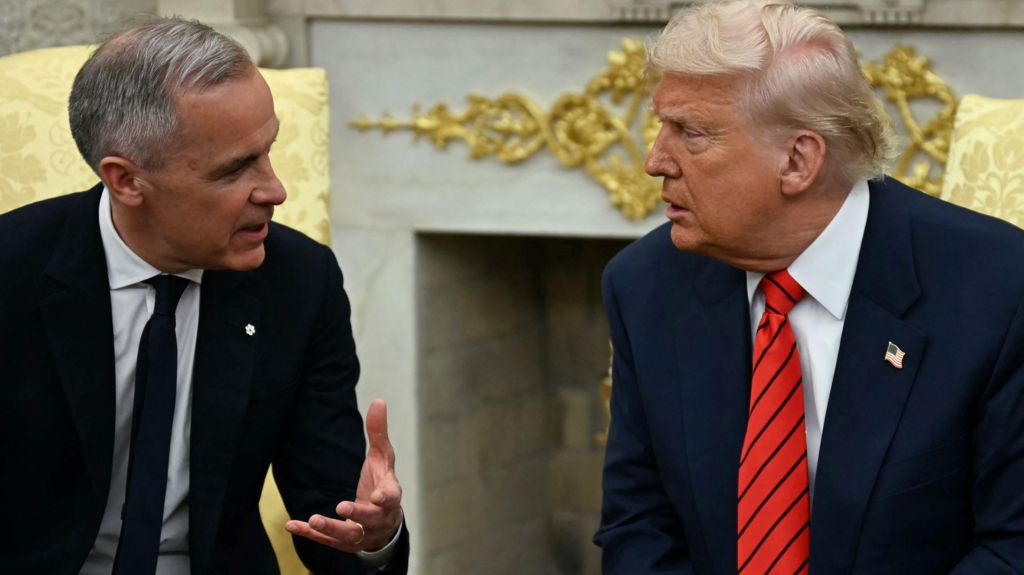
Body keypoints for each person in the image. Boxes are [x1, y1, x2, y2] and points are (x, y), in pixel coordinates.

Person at [595, 1, 1024, 573]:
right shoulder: (645, 286)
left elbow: (1012, 545)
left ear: (798, 160)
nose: (654, 161)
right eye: (661, 126)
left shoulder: (997, 289)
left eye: (690, 133)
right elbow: (637, 526)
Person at [0, 18, 408, 574]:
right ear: (126, 180)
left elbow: (332, 522)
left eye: (268, 151)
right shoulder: (13, 269)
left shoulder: (299, 281)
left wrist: (372, 537)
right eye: (236, 168)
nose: (276, 189)